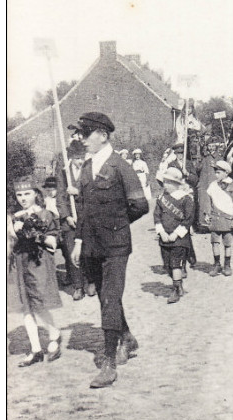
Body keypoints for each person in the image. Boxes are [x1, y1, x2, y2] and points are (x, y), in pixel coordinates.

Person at [70, 112, 149, 388]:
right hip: (92, 244)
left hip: (115, 245)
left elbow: (140, 206)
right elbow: (82, 208)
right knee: (106, 296)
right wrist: (79, 241)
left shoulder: (120, 167)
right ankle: (126, 338)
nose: (81, 138)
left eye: (86, 133)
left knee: (109, 298)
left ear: (102, 135)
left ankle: (109, 364)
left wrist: (115, 223)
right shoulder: (87, 166)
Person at [9, 178, 62, 366]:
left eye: (27, 194)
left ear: (35, 194)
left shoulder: (46, 214)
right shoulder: (14, 216)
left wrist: (33, 232)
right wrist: (12, 229)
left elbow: (53, 243)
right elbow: (12, 241)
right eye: (19, 195)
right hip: (20, 262)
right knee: (26, 306)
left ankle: (54, 334)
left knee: (39, 303)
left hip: (38, 263)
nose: (23, 198)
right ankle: (36, 349)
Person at [56, 139, 97, 301]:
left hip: (86, 218)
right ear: (71, 157)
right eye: (77, 158)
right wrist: (66, 216)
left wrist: (78, 192)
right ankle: (78, 286)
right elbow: (60, 197)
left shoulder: (90, 169)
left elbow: (94, 193)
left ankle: (92, 281)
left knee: (89, 252)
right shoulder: (63, 172)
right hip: (70, 220)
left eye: (82, 157)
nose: (80, 161)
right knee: (72, 252)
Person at [153, 167, 195, 303]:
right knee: (167, 265)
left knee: (175, 263)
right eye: (164, 181)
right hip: (164, 237)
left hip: (179, 239)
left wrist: (176, 234)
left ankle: (175, 290)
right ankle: (178, 284)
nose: (164, 184)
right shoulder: (161, 198)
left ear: (175, 184)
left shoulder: (186, 199)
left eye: (168, 182)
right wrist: (162, 232)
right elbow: (157, 216)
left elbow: (188, 219)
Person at [204, 160, 233, 277]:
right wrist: (207, 214)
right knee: (215, 242)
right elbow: (208, 201)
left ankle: (227, 265)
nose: (216, 175)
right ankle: (216, 265)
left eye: (219, 172)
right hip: (215, 218)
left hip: (228, 219)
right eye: (216, 172)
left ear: (226, 173)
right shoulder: (212, 186)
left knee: (228, 243)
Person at [166, 141, 199, 271]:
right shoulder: (171, 165)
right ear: (174, 153)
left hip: (188, 198)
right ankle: (186, 260)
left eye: (181, 153)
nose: (180, 155)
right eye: (177, 153)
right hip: (176, 199)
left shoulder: (189, 164)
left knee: (185, 228)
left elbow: (195, 181)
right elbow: (168, 181)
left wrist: (188, 175)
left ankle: (188, 258)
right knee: (181, 230)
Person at [197, 138, 222, 230]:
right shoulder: (205, 158)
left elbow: (224, 170)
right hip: (204, 184)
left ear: (216, 147)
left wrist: (216, 166)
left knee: (215, 204)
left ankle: (215, 224)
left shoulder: (219, 158)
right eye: (209, 146)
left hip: (215, 184)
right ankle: (204, 225)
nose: (211, 148)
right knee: (204, 204)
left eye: (213, 146)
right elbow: (198, 169)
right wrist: (199, 160)